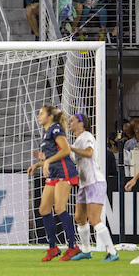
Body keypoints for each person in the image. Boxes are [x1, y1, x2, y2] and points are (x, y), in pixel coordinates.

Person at [26, 105, 80, 261]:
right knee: (43, 209)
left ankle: (72, 246)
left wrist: (47, 160)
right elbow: (52, 156)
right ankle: (53, 247)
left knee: (59, 207)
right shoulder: (46, 133)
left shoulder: (56, 129)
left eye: (41, 113)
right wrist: (38, 164)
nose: (38, 115)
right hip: (54, 173)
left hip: (64, 172)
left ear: (50, 116)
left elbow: (65, 151)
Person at [66, 113, 119, 261]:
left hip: (95, 182)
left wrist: (70, 148)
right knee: (79, 218)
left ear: (81, 123)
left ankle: (113, 252)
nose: (69, 123)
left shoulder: (87, 135)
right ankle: (86, 250)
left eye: (72, 120)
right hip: (84, 184)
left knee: (94, 219)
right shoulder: (77, 141)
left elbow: (89, 152)